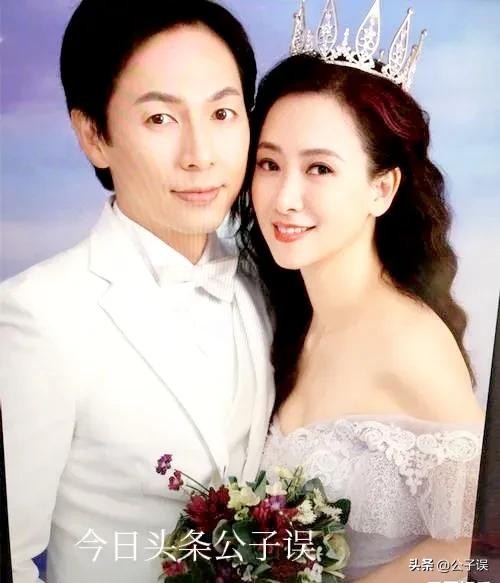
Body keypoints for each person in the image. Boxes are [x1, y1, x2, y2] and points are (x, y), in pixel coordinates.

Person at [0, 1, 274, 582]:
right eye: (160, 119)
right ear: (93, 135)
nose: (200, 155)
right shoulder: (38, 314)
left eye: (222, 113)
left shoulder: (270, 284)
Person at [239, 36, 485, 583]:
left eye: (319, 169)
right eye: (269, 163)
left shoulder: (408, 343)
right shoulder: (283, 317)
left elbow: (482, 548)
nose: (284, 198)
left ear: (382, 188)